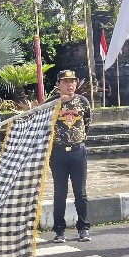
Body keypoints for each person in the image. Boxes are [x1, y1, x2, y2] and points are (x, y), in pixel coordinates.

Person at [48, 70, 92, 244]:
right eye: (65, 82)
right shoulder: (52, 104)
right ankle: (59, 230)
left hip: (78, 151)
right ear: (58, 84)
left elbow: (87, 123)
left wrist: (78, 140)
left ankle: (83, 228)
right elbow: (44, 123)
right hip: (58, 152)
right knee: (60, 193)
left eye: (72, 81)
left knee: (80, 193)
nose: (70, 84)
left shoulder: (83, 102)